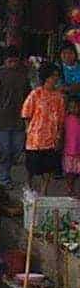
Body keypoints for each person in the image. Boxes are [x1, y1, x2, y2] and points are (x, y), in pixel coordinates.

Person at [0, 47, 30, 188]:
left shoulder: (24, 74)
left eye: (15, 61)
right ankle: (4, 177)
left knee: (17, 148)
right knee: (4, 149)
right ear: (5, 61)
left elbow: (28, 96)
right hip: (1, 119)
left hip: (19, 119)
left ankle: (4, 172)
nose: (12, 64)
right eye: (10, 61)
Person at [22, 63, 67, 194]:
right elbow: (26, 113)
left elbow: (61, 119)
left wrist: (59, 136)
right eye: (53, 76)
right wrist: (29, 131)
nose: (56, 79)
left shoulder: (59, 97)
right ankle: (28, 185)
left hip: (51, 139)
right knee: (32, 167)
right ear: (46, 77)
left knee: (48, 167)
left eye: (57, 76)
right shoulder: (35, 93)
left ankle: (44, 191)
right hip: (35, 139)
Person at [59, 44, 80, 196]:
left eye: (69, 53)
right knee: (67, 143)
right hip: (65, 110)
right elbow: (59, 88)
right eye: (64, 53)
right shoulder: (59, 69)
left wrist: (69, 89)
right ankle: (68, 180)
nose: (67, 56)